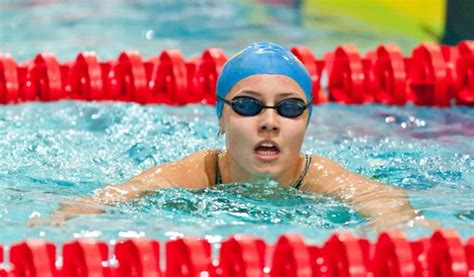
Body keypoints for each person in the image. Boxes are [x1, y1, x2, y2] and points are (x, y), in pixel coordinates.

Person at [29, 42, 435, 232]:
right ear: (220, 117)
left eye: (290, 108)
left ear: (307, 121)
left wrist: (385, 229)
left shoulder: (319, 179)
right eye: (248, 105)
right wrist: (65, 218)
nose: (269, 121)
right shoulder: (197, 174)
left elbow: (387, 202)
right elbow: (114, 196)